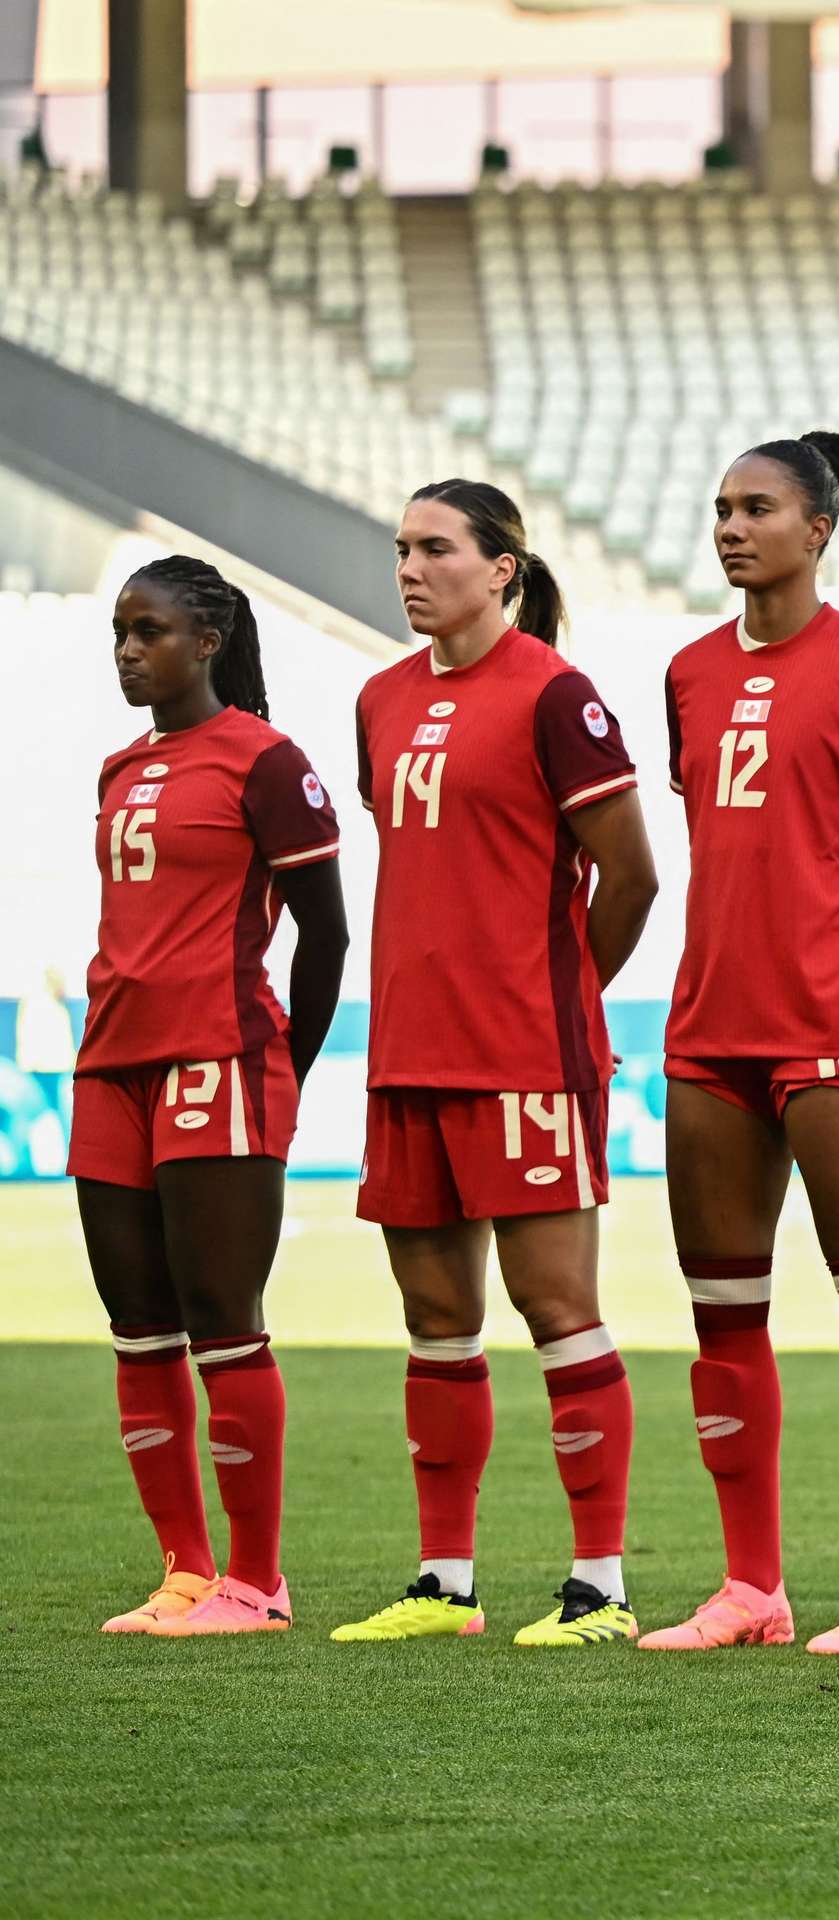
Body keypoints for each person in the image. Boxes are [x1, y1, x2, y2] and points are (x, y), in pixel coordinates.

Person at [637, 432, 839, 1657]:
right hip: (709, 1033)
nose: (731, 527)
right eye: (720, 507)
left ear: (817, 529)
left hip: (834, 1028)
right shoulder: (685, 673)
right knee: (723, 1314)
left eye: (757, 508)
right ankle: (750, 1589)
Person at [332, 480, 662, 1650]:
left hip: (526, 1057)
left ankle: (600, 1586)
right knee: (436, 1319)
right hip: (408, 1056)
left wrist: (563, 997)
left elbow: (630, 878)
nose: (410, 568)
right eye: (402, 549)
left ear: (502, 571)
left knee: (558, 1311)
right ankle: (443, 1584)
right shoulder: (377, 699)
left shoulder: (556, 697)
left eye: (436, 549)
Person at [79, 557, 346, 1638]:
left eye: (149, 631)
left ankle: (258, 1581)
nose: (130, 651)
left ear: (209, 638)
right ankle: (184, 1573)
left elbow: (326, 932)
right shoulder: (113, 770)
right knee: (137, 1328)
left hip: (219, 1063)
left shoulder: (267, 763)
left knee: (221, 1325)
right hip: (111, 1065)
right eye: (119, 633)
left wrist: (288, 1066)